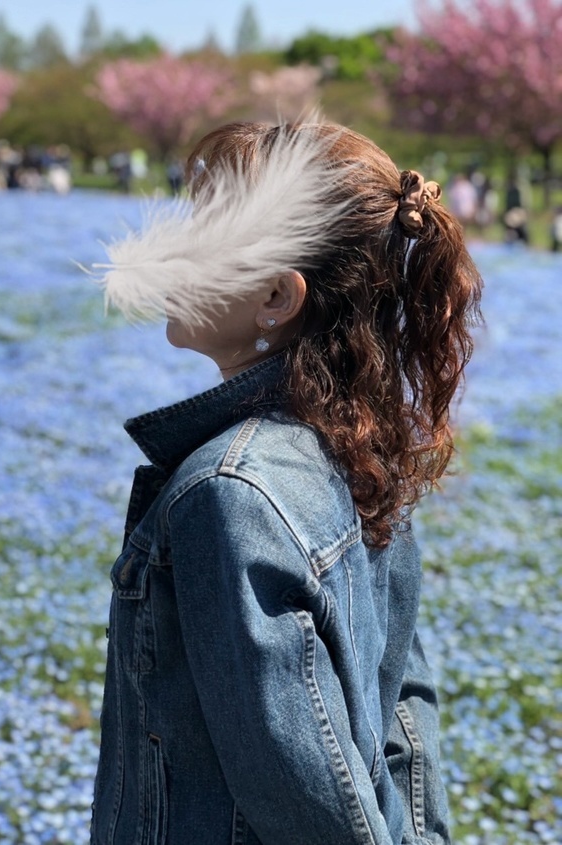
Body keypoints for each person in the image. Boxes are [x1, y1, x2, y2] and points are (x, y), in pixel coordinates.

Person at [90, 121, 483, 845]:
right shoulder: (359, 450)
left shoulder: (229, 494)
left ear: (276, 295)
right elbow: (403, 706)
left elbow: (314, 814)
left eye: (207, 229)